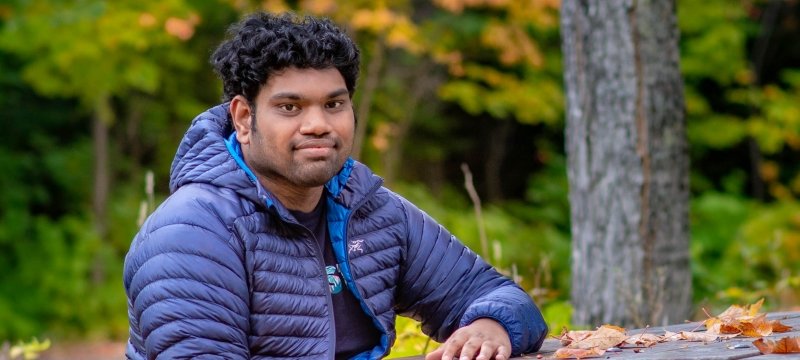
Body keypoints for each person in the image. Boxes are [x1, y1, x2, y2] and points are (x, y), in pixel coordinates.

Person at [123, 11, 548, 360]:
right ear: (243, 118)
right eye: (290, 107)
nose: (318, 125)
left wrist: (489, 327)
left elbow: (502, 297)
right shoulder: (193, 232)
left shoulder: (373, 210)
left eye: (334, 104)